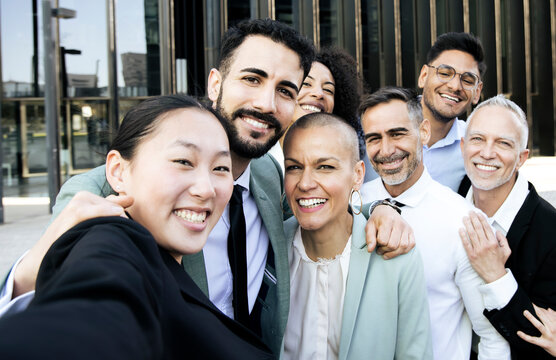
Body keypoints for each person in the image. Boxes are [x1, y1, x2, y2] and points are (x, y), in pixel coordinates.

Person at [0, 18, 412, 356]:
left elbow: (325, 204)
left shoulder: (273, 177)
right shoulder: (113, 190)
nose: (267, 103)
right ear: (215, 83)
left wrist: (378, 210)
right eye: (252, 79)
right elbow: (92, 279)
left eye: (285, 90)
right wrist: (30, 270)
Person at [0, 95, 274, 359]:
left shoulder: (168, 265)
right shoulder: (114, 241)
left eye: (221, 168)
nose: (206, 189)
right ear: (118, 171)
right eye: (183, 161)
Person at [359, 87, 510, 359]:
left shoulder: (463, 221)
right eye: (374, 138)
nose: (386, 149)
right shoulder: (352, 205)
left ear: (424, 133)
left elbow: (491, 336)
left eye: (397, 133)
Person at [281, 112, 432, 359]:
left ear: (358, 175)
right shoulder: (271, 246)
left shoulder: (396, 255)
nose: (306, 183)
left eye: (325, 167)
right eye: (294, 167)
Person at [458, 94, 556, 359]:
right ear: (463, 146)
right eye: (478, 139)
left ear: (522, 157)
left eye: (503, 143)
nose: (487, 153)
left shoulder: (550, 231)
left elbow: (542, 345)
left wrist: (497, 277)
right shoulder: (455, 195)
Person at [268, 47, 366, 173]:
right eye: (306, 84)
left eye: (328, 90)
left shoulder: (344, 162)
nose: (319, 94)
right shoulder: (255, 153)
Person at [417, 32, 485, 191]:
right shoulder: (378, 128)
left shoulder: (475, 148)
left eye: (468, 80)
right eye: (445, 73)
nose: (455, 86)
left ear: (477, 92)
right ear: (424, 76)